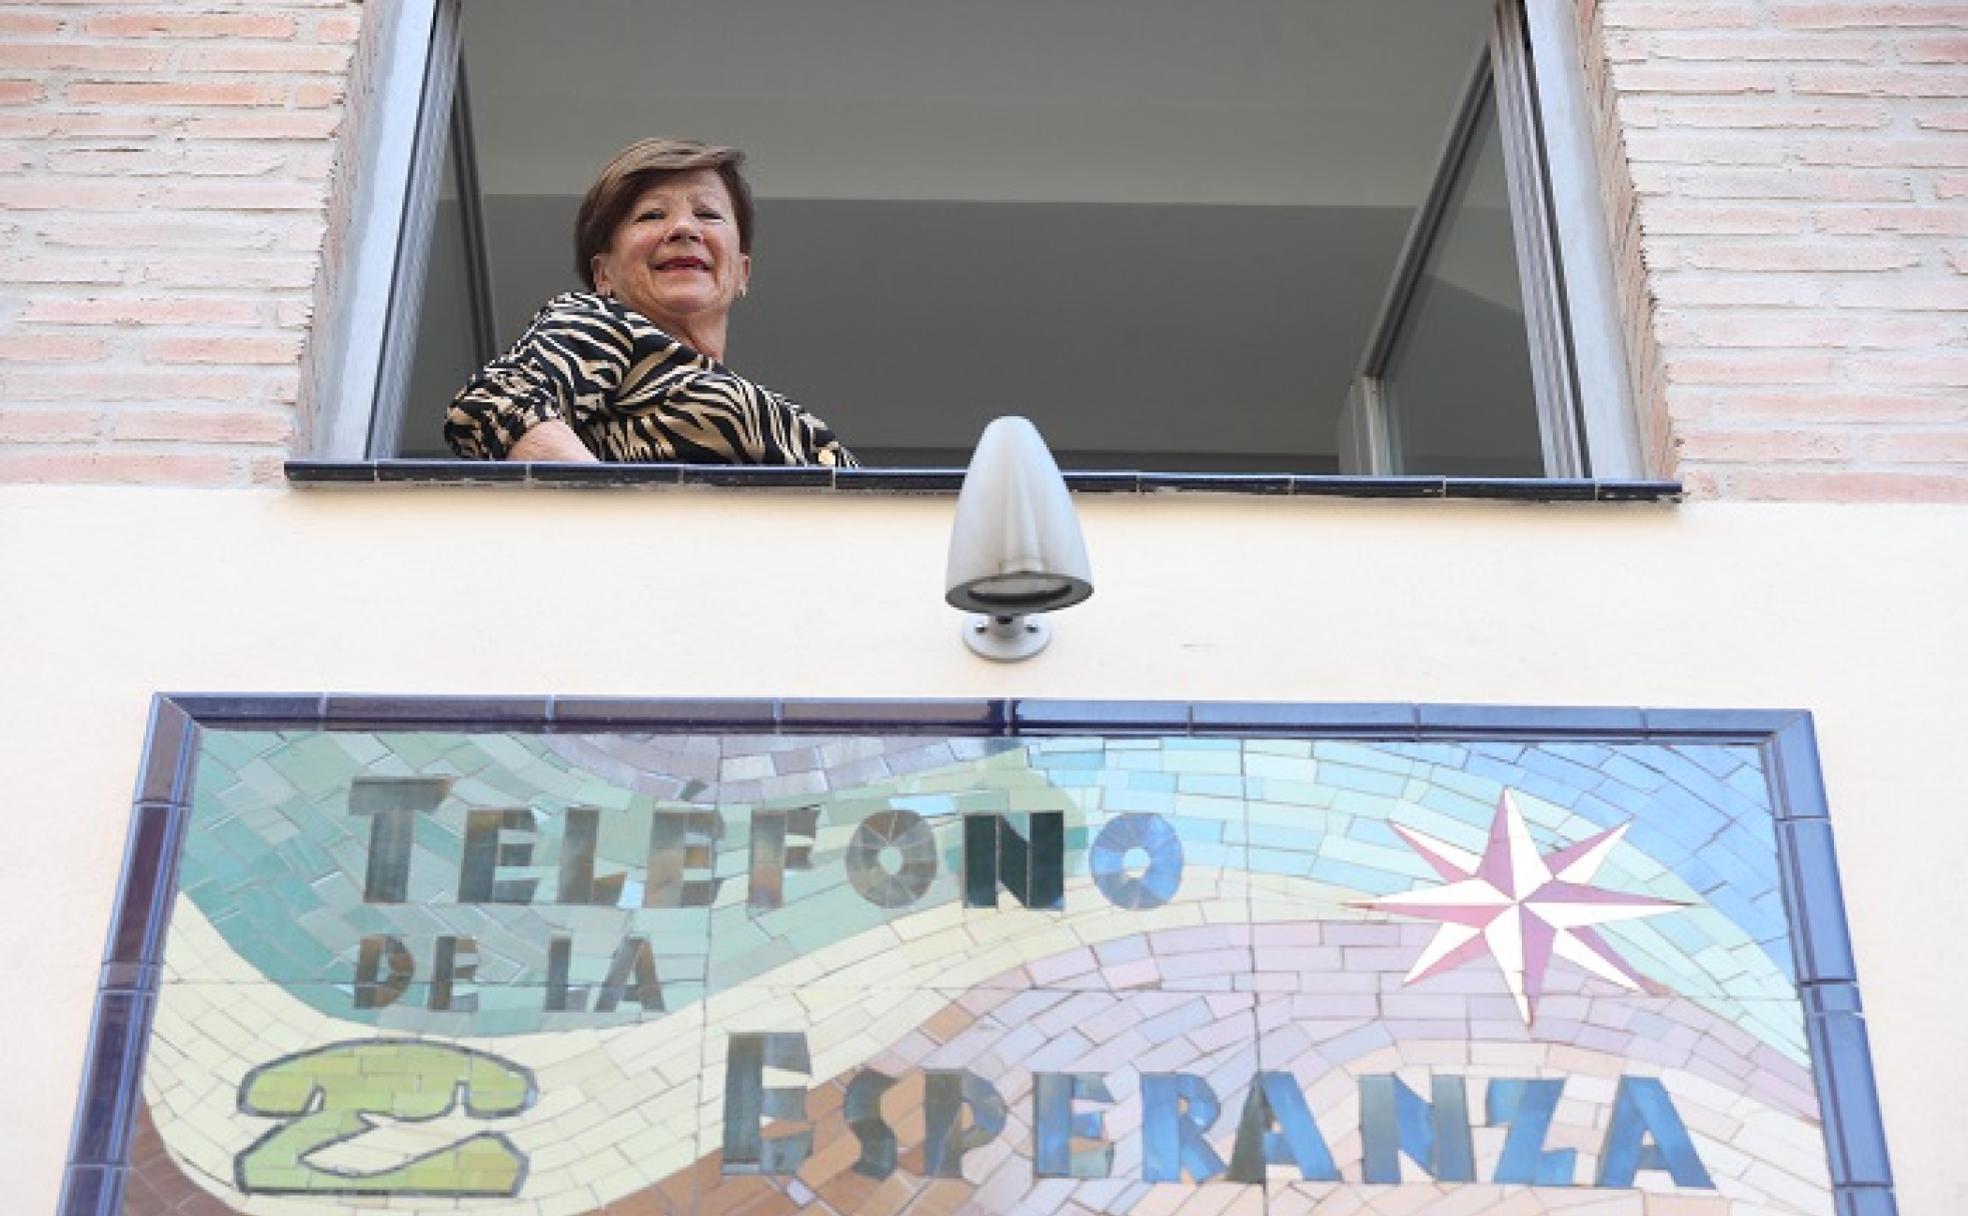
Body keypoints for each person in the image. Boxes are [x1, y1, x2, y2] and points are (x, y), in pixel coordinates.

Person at [446, 139, 856, 466]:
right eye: (652, 215)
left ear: (742, 273)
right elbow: (496, 404)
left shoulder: (782, 414)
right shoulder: (598, 321)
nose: (683, 228)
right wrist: (611, 514)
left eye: (708, 214)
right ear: (602, 274)